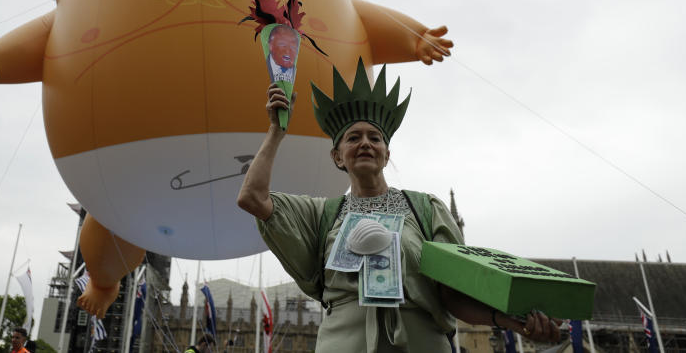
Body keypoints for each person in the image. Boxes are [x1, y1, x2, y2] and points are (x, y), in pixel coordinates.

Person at [237, 60, 562, 352]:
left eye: (374, 137)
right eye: (353, 138)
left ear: (386, 153)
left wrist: (511, 321)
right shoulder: (322, 214)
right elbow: (252, 197)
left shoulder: (426, 209)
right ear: (337, 156)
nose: (365, 142)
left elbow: (453, 296)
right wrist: (276, 132)